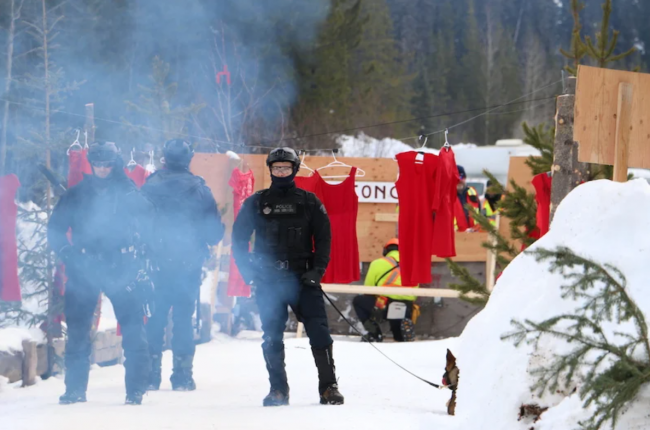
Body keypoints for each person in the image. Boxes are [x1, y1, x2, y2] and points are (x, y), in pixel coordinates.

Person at [232, 147, 344, 407]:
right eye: (276, 167)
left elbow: (325, 239)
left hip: (303, 278)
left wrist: (317, 271)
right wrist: (248, 270)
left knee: (319, 333)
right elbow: (238, 239)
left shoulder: (309, 201)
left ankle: (329, 388)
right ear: (270, 169)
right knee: (271, 335)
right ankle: (278, 391)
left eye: (286, 167)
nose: (281, 171)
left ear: (294, 169)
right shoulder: (256, 202)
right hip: (268, 280)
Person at [48, 141, 152, 405]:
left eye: (108, 164)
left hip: (122, 265)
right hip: (85, 266)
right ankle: (74, 389)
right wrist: (67, 252)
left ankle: (135, 389)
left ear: (115, 164)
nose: (103, 169)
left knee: (132, 329)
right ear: (91, 164)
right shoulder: (77, 193)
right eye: (98, 164)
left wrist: (128, 189)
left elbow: (149, 218)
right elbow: (55, 229)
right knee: (78, 329)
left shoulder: (128, 190)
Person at [141, 139, 224, 392]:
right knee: (184, 320)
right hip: (188, 265)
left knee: (154, 318)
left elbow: (136, 224)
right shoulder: (201, 189)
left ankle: (151, 376)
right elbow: (213, 234)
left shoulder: (149, 186)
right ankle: (182, 377)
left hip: (155, 264)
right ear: (189, 160)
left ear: (164, 158)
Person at [352, 238, 418, 342]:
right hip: (406, 307)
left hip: (382, 306)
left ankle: (374, 333)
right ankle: (401, 332)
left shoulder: (377, 263)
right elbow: (415, 292)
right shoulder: (413, 265)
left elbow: (368, 289)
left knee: (358, 301)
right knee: (398, 329)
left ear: (385, 251)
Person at [454, 165, 480, 232]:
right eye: (455, 177)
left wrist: (475, 229)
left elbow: (480, 216)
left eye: (460, 176)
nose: (458, 180)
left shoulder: (473, 193)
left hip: (473, 235)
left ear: (465, 178)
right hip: (455, 237)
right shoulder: (445, 196)